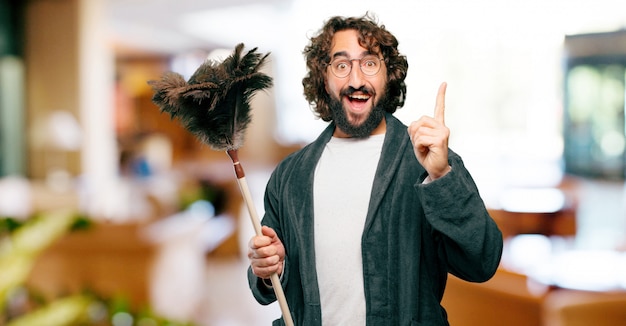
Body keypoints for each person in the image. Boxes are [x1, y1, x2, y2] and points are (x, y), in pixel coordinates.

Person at [247, 13, 503, 325]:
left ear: (388, 76)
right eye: (341, 65)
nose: (356, 80)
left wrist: (442, 177)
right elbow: (267, 288)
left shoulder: (427, 161)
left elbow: (482, 262)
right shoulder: (291, 176)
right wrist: (270, 265)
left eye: (369, 63)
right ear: (323, 79)